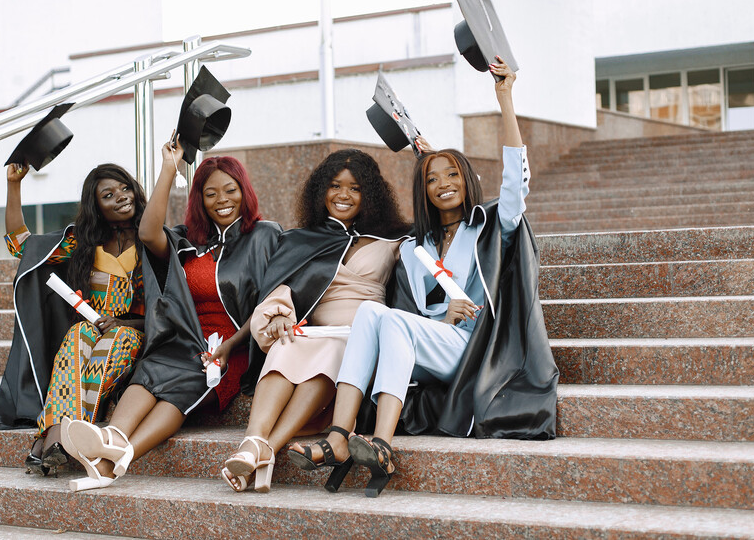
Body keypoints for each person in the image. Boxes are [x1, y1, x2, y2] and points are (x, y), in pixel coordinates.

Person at [289, 56, 558, 497]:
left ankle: (381, 443)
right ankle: (340, 436)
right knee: (374, 313)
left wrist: (504, 97)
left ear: (468, 178)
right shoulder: (416, 248)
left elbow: (515, 179)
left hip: (475, 347)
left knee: (389, 318)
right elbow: (405, 313)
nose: (444, 183)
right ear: (425, 191)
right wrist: (421, 151)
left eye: (453, 174)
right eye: (433, 179)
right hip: (429, 342)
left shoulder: (491, 223)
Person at [59, 141, 281, 491]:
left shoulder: (266, 236)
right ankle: (114, 436)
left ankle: (113, 463)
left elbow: (268, 303)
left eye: (230, 190)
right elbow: (148, 233)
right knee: (154, 364)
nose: (222, 199)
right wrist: (168, 168)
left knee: (186, 379)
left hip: (233, 345)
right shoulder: (189, 240)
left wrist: (230, 345)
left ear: (244, 191)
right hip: (183, 336)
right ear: (199, 200)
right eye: (210, 194)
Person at [220, 149, 410, 493]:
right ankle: (254, 443)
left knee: (334, 352)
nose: (343, 195)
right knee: (286, 344)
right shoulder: (302, 240)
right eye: (335, 186)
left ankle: (267, 447)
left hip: (364, 337)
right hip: (317, 331)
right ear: (321, 190)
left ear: (371, 194)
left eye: (355, 188)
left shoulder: (395, 238)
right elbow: (281, 290)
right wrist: (278, 317)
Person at [0, 163, 149, 479]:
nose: (121, 197)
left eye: (125, 188)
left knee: (115, 339)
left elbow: (168, 308)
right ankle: (60, 436)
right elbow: (20, 245)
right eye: (108, 195)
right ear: (96, 206)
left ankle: (49, 437)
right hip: (91, 330)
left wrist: (126, 324)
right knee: (76, 334)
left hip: (136, 334)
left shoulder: (153, 239)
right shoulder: (83, 243)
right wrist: (14, 186)